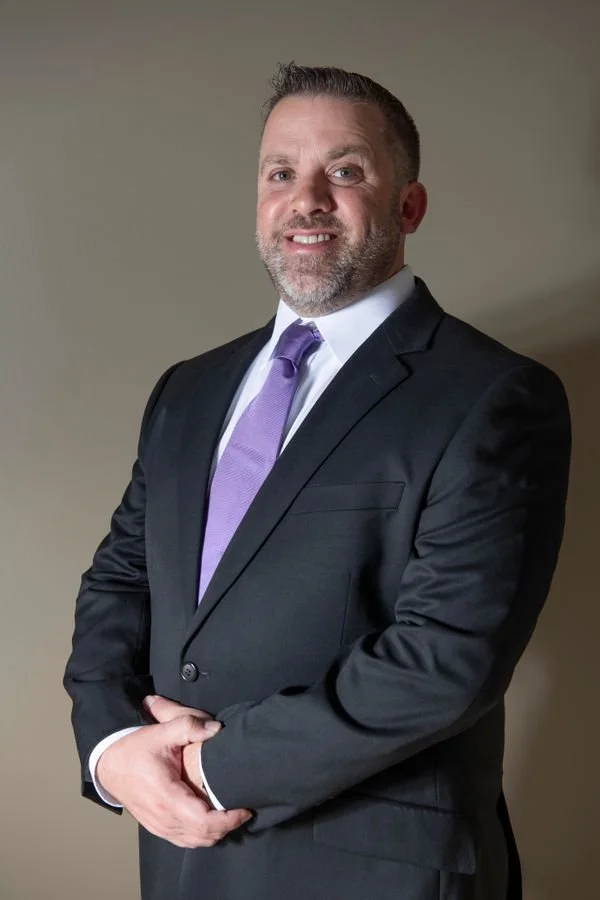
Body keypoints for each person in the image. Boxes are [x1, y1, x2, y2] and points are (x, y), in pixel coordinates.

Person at [64, 62, 571, 900]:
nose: (306, 199)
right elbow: (121, 581)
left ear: (408, 206)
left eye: (345, 170)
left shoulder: (494, 394)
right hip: (180, 854)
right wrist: (113, 745)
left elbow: (447, 657)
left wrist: (211, 769)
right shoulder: (186, 389)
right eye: (280, 172)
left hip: (372, 869)